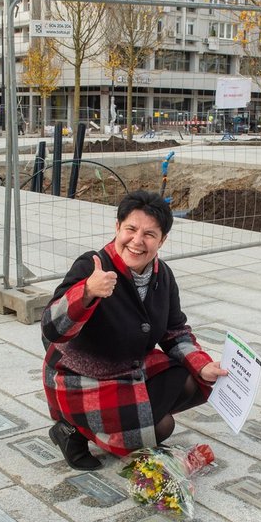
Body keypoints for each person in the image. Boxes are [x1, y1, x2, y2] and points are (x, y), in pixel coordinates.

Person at [40, 191, 228, 470]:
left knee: (189, 379)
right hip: (80, 376)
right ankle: (71, 429)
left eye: (150, 234)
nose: (137, 241)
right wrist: (88, 292)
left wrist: (203, 366)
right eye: (131, 229)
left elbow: (175, 331)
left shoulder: (162, 275)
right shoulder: (92, 266)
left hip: (128, 368)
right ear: (117, 227)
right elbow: (52, 328)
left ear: (162, 240)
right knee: (163, 427)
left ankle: (120, 425)